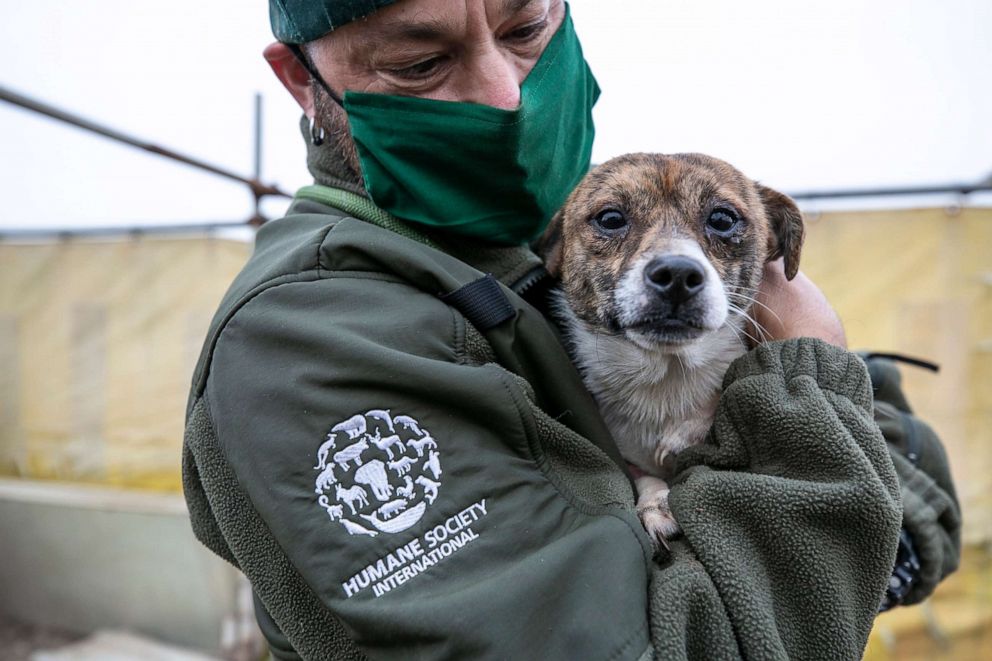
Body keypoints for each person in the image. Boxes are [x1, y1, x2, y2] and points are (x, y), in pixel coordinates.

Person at [182, 1, 961, 659]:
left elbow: (922, 505)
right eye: (420, 63)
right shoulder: (309, 340)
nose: (506, 95)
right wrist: (824, 405)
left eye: (525, 29)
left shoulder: (518, 248)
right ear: (301, 81)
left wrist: (880, 507)